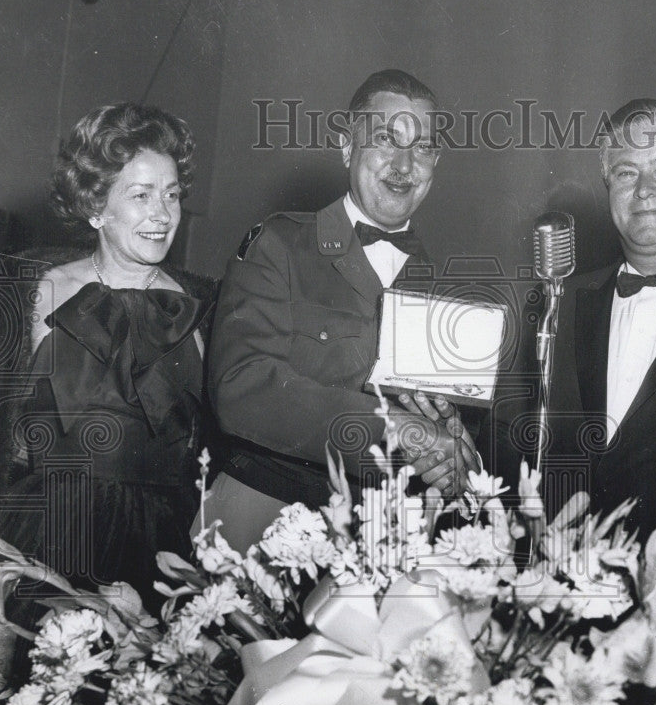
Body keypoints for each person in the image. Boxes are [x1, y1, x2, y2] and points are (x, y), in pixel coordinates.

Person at [204, 69, 479, 552]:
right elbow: (241, 389)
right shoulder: (281, 243)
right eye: (385, 140)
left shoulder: (440, 286)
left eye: (422, 147)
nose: (403, 163)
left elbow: (436, 416)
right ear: (347, 147)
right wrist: (396, 430)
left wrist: (454, 448)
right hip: (264, 520)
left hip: (381, 537)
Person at [0, 103, 216, 611]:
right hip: (48, 530)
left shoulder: (206, 308)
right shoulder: (34, 290)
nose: (163, 214)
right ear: (96, 206)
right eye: (141, 196)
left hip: (163, 544)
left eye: (172, 195)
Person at [508, 98, 656, 541]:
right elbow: (509, 440)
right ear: (607, 187)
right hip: (554, 582)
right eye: (627, 172)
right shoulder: (554, 302)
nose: (644, 188)